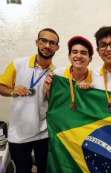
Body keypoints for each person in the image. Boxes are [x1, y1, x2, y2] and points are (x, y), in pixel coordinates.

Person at [0, 28, 60, 173]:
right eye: (43, 41)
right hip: (19, 134)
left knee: (45, 170)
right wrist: (12, 92)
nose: (47, 46)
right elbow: (1, 87)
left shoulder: (56, 73)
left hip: (44, 133)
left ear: (57, 48)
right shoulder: (18, 64)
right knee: (22, 170)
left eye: (52, 43)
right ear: (37, 42)